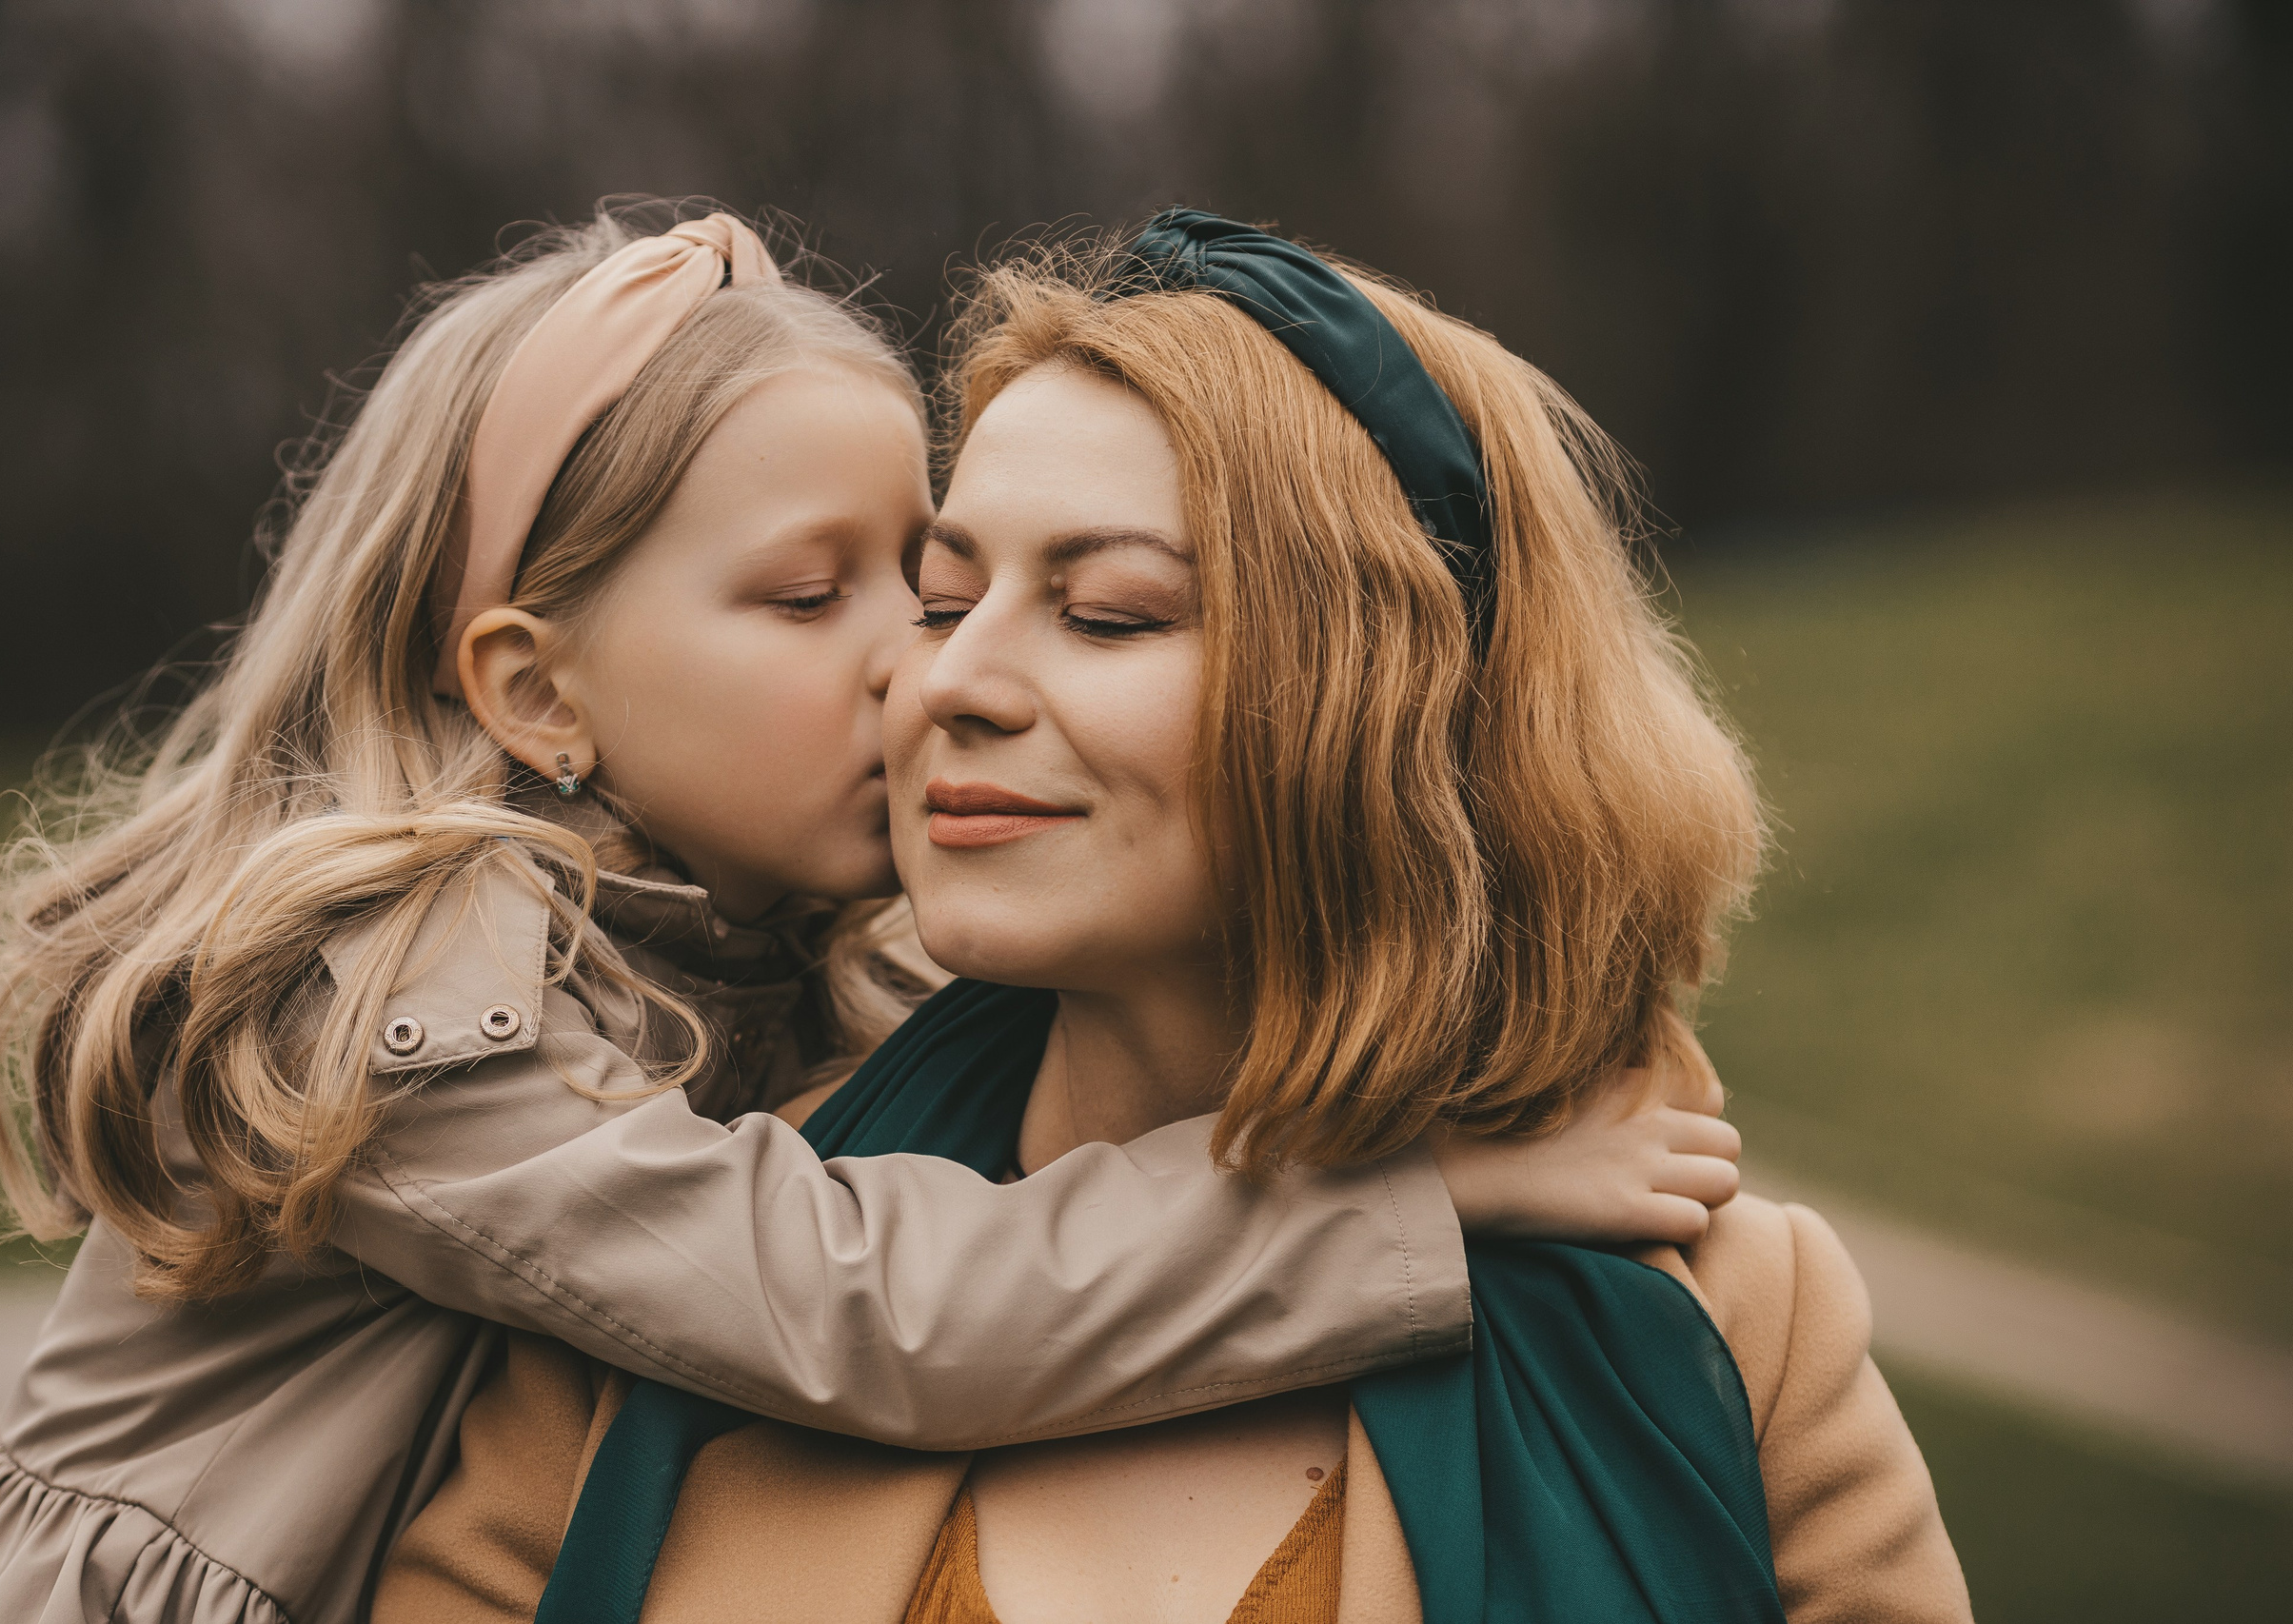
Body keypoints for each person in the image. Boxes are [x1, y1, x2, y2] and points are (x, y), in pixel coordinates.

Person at [0, 205, 1744, 1624]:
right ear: (536, 691)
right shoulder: (406, 996)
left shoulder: (734, 950)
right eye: (805, 598)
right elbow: (864, 1301)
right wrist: (1400, 1200)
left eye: (921, 582)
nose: (925, 668)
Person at [373, 213, 1969, 1624]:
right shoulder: (692, 1262)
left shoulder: (1729, 1323)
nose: (945, 679)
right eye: (947, 599)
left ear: (1386, 712)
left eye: (1107, 612)